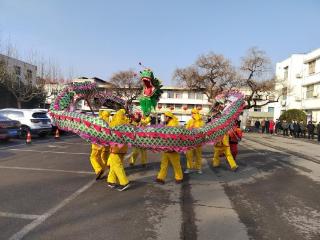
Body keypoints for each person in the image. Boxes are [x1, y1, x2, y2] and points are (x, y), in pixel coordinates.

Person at [107, 109, 131, 191]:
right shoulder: (126, 124)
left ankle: (124, 182)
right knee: (114, 165)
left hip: (116, 149)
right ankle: (111, 181)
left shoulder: (115, 124)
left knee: (117, 165)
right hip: (123, 149)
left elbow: (110, 135)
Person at [156, 111, 183, 184]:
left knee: (176, 164)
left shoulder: (173, 124)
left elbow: (174, 137)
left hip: (172, 149)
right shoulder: (167, 124)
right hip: (166, 149)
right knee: (164, 164)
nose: (164, 118)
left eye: (165, 117)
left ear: (168, 117)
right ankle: (160, 178)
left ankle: (179, 177)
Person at [89, 110, 111, 180]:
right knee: (104, 158)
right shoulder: (110, 122)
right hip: (107, 144)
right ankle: (107, 170)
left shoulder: (98, 121)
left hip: (97, 144)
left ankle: (98, 169)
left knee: (93, 157)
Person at [184, 108, 205, 174]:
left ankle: (198, 168)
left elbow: (203, 131)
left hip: (198, 142)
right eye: (191, 113)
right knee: (189, 155)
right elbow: (186, 130)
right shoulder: (190, 121)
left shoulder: (201, 122)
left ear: (196, 114)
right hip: (190, 142)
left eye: (193, 113)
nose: (191, 114)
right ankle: (189, 168)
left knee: (198, 156)